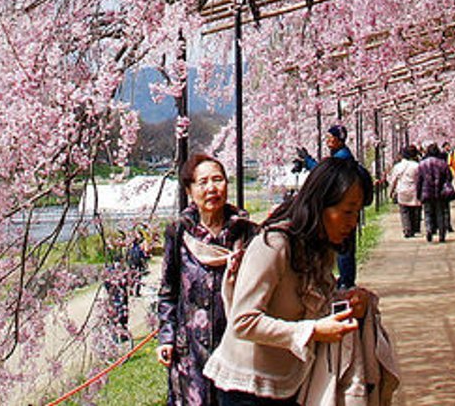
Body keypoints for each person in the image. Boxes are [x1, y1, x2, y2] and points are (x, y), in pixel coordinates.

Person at [204, 156, 382, 406]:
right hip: (246, 390)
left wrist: (351, 301)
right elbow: (243, 321)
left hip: (289, 382)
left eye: (357, 212)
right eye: (347, 211)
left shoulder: (317, 246)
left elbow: (310, 300)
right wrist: (312, 331)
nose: (353, 223)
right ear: (320, 205)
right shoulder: (274, 245)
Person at [156, 153, 258, 406]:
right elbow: (169, 291)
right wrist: (166, 338)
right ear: (190, 190)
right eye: (203, 182)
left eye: (218, 179)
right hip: (190, 351)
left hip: (237, 348)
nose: (212, 188)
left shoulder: (247, 232)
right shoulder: (179, 231)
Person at [323, 125, 358, 286]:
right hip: (346, 206)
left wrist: (309, 162)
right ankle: (346, 278)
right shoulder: (343, 155)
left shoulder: (342, 158)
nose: (327, 141)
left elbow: (328, 174)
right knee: (345, 244)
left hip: (343, 207)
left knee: (344, 245)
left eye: (330, 138)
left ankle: (346, 280)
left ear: (338, 140)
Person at [414, 144, 454, 243]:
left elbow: (419, 180)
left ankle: (428, 229)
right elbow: (449, 177)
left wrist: (418, 193)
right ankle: (441, 235)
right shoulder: (442, 164)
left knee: (428, 213)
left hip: (426, 192)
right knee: (440, 213)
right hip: (440, 193)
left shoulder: (422, 164)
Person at [386, 145, 422, 238]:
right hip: (414, 189)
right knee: (415, 209)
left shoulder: (398, 166)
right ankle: (414, 228)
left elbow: (393, 181)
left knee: (404, 211)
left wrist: (391, 192)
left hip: (402, 190)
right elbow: (421, 179)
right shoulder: (417, 166)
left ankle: (407, 229)